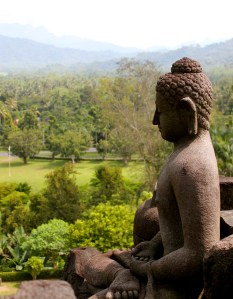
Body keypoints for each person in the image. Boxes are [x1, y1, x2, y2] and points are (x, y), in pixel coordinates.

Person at [64, 57, 220, 299]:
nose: (155, 119)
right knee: (97, 262)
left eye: (161, 111)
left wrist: (148, 269)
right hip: (162, 267)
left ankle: (123, 278)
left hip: (171, 289)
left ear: (186, 110)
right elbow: (178, 224)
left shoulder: (193, 167)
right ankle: (121, 276)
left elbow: (198, 254)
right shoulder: (183, 153)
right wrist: (156, 244)